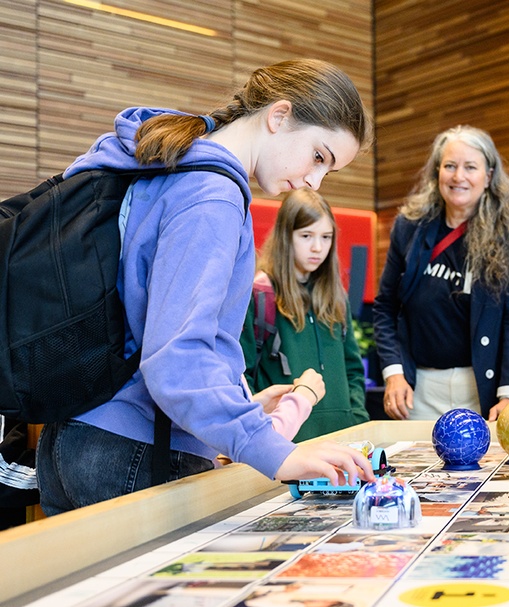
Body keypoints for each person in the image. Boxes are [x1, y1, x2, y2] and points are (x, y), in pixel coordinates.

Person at [35, 59, 376, 515]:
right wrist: (277, 451)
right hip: (137, 449)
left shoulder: (165, 167)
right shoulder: (210, 194)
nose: (314, 181)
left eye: (327, 172)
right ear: (279, 116)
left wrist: (241, 405)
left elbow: (146, 328)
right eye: (319, 156)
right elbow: (177, 358)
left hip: (76, 439)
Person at [373, 125, 509, 421]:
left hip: (482, 389)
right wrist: (394, 373)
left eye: (470, 167)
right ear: (437, 172)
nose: (458, 177)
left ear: (489, 176)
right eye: (450, 166)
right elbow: (386, 306)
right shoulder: (409, 227)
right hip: (419, 390)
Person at [240, 188, 369, 441]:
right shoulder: (260, 294)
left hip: (343, 442)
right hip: (285, 449)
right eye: (306, 235)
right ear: (286, 236)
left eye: (326, 236)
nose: (318, 247)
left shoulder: (336, 296)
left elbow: (352, 370)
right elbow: (242, 377)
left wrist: (356, 421)